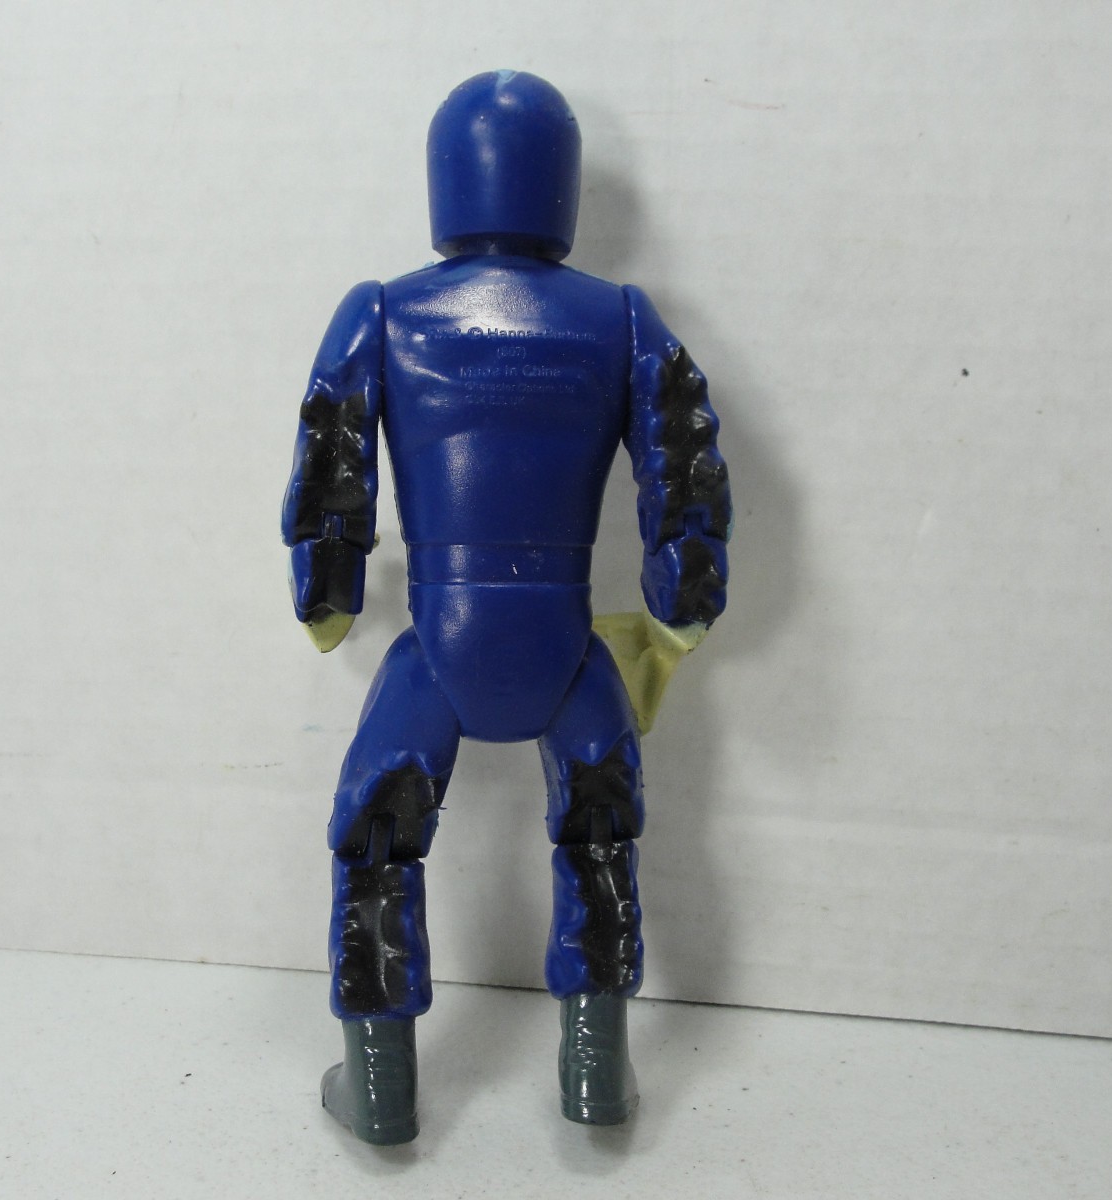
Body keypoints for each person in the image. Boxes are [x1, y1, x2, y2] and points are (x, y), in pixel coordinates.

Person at [281, 70, 731, 1144]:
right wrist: (677, 611)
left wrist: (328, 596)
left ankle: (380, 1086)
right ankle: (598, 1074)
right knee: (600, 837)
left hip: (438, 643)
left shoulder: (383, 310)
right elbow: (684, 465)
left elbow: (332, 455)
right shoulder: (619, 318)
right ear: (560, 187)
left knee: (377, 837)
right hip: (568, 645)